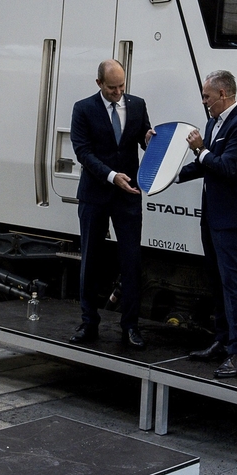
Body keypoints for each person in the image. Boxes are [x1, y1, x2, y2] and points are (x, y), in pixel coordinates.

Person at [178, 70, 237, 378]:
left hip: (232, 219)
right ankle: (222, 340)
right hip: (213, 215)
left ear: (223, 95)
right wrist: (171, 175)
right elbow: (205, 166)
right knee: (216, 280)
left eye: (207, 97)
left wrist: (200, 149)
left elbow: (224, 167)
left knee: (232, 282)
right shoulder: (214, 123)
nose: (204, 102)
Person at [70, 59, 154, 348]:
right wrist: (110, 176)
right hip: (95, 192)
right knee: (90, 259)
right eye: (112, 87)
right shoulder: (83, 109)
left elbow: (144, 139)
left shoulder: (138, 104)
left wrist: (149, 138)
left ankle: (130, 326)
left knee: (131, 262)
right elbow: (83, 151)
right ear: (99, 84)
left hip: (128, 193)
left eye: (122, 86)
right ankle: (88, 323)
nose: (119, 92)